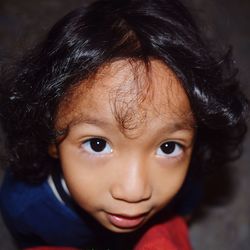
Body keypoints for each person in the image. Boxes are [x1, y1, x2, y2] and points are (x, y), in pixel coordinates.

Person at [0, 0, 247, 249]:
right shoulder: (25, 205)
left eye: (168, 147)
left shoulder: (188, 178)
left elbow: (186, 207)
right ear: (50, 135)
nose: (134, 191)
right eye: (97, 144)